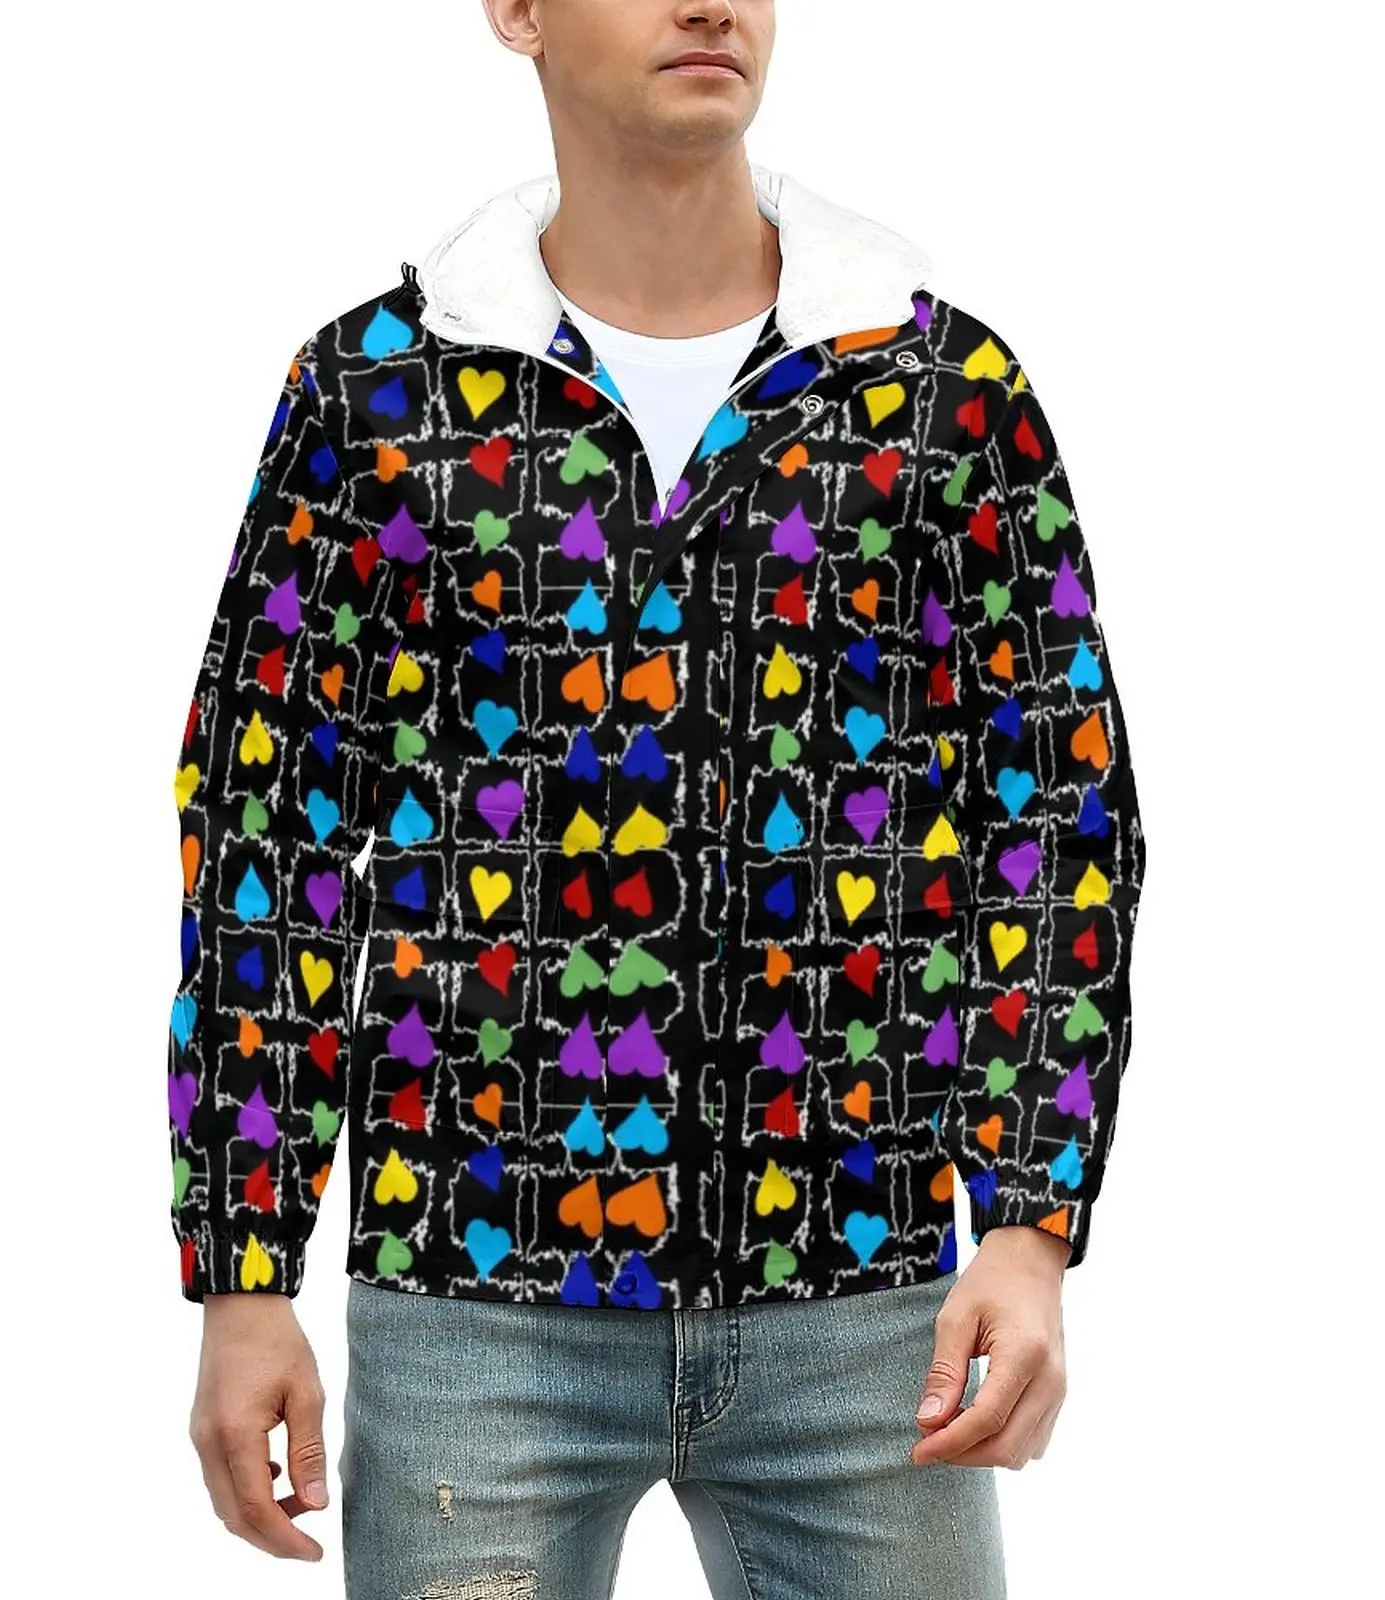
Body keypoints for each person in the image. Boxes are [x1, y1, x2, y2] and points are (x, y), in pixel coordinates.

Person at [168, 3, 1148, 1595]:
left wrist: (1030, 1224)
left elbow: (1059, 813)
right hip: (473, 1295)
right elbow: (267, 834)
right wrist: (243, 1269)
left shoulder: (932, 386)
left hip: (865, 1299)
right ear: (518, 11)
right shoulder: (378, 397)